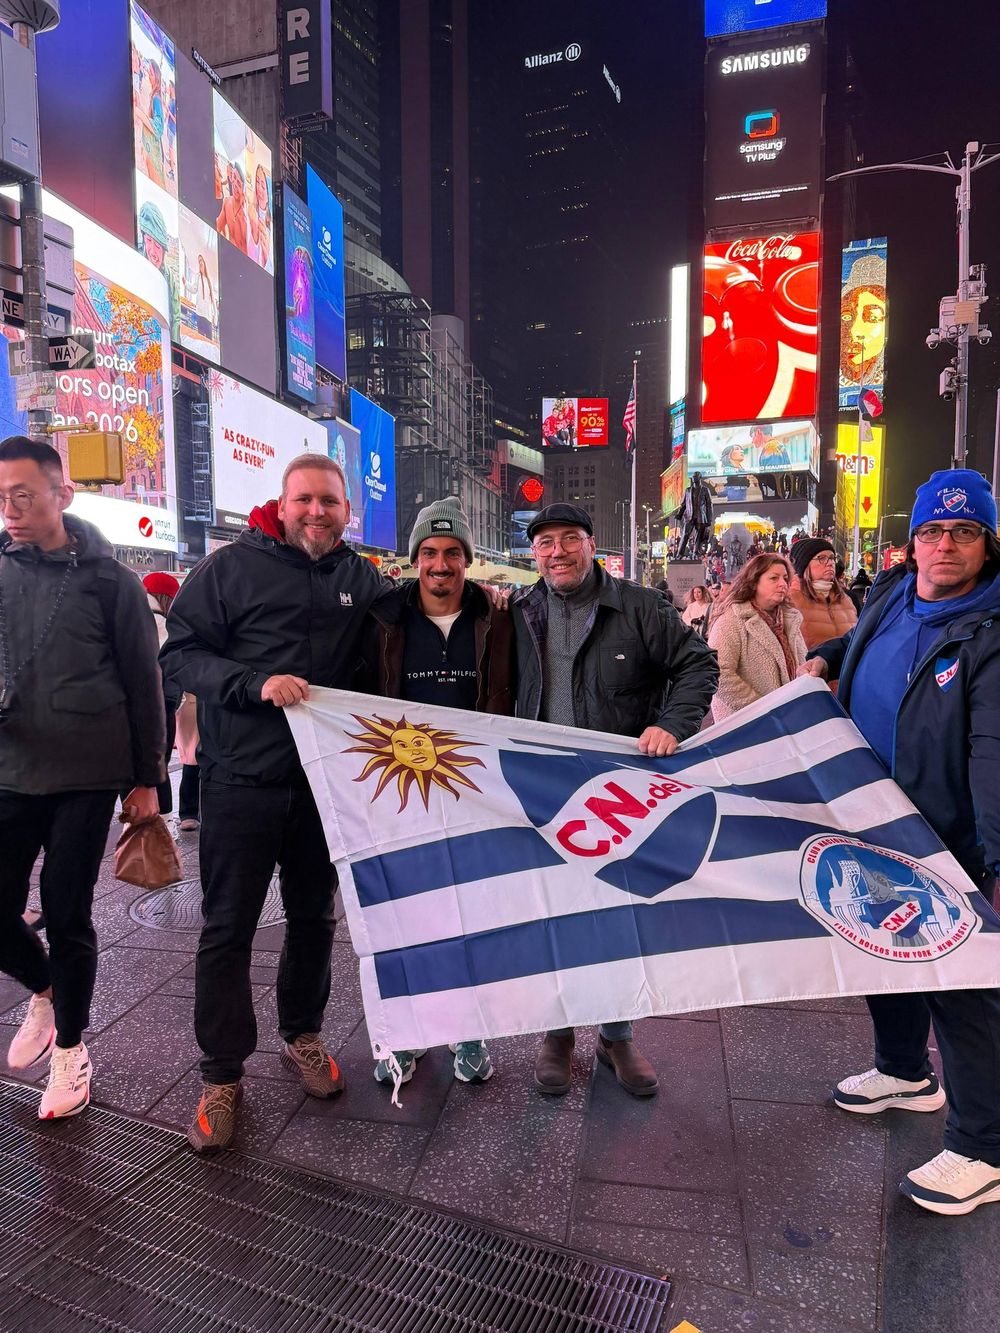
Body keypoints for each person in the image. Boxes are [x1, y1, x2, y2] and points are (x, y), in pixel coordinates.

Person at [160, 453, 389, 1153]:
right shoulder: (229, 568)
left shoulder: (361, 578)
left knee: (316, 919)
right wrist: (252, 683)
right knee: (226, 928)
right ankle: (221, 1075)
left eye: (330, 501)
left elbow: (393, 649)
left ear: (348, 511)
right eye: (305, 500)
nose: (317, 512)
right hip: (241, 783)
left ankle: (303, 1034)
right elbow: (179, 656)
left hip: (325, 790)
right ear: (281, 504)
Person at [800, 468, 1000, 1215]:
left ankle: (984, 1146)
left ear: (986, 543)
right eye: (931, 531)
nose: (945, 544)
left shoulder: (990, 629)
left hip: (952, 841)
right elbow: (865, 636)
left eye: (964, 531)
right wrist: (828, 655)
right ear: (912, 541)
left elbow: (993, 754)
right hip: (872, 820)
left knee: (965, 990)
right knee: (881, 951)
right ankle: (904, 1069)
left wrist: (996, 864)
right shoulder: (893, 592)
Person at [511, 503, 719, 1099]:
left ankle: (617, 1033)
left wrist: (672, 725)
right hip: (543, 790)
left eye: (568, 540)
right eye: (544, 543)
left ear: (591, 543)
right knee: (554, 910)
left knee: (619, 913)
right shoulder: (521, 611)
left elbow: (697, 665)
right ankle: (557, 1031)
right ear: (535, 553)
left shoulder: (639, 606)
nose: (556, 552)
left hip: (619, 793)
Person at [0, 436, 165, 1119]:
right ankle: (45, 988)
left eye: (24, 494)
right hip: (10, 767)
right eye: (2, 496)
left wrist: (147, 777)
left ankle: (71, 1047)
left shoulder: (110, 581)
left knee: (68, 910)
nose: (11, 508)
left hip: (88, 772)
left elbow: (143, 682)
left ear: (62, 494)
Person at [359, 497, 514, 1090]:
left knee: (469, 914)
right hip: (398, 794)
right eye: (429, 552)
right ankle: (404, 1033)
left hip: (473, 795)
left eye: (452, 553)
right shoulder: (382, 619)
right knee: (400, 918)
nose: (441, 564)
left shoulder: (499, 619)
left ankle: (467, 1028)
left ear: (468, 561)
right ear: (414, 559)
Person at [708, 553, 806, 721]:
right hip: (745, 725)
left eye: (785, 578)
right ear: (754, 582)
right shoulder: (732, 619)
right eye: (774, 578)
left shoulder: (790, 619)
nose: (783, 584)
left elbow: (802, 661)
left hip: (789, 718)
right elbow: (717, 673)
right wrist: (762, 709)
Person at [787, 537, 858, 652]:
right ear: (804, 564)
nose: (830, 563)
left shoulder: (846, 599)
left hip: (847, 669)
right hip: (808, 668)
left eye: (832, 558)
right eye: (821, 558)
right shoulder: (789, 599)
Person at [677, 472, 714, 560]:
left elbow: (709, 505)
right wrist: (679, 514)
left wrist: (709, 519)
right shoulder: (688, 490)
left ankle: (695, 553)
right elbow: (683, 505)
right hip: (690, 516)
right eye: (693, 477)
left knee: (699, 537)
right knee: (685, 534)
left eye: (695, 477)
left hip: (701, 517)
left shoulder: (705, 490)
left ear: (699, 478)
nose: (694, 478)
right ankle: (679, 554)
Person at [215, 161, 248, 254]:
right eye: (234, 179)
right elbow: (218, 226)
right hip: (229, 260)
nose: (235, 185)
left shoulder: (247, 216)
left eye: (239, 183)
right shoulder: (227, 202)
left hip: (244, 265)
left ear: (244, 187)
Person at [247, 164, 272, 270]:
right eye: (257, 182)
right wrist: (254, 234)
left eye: (263, 185)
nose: (259, 189)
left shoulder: (273, 224)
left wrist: (267, 256)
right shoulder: (250, 210)